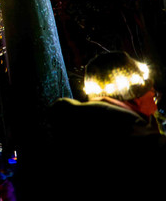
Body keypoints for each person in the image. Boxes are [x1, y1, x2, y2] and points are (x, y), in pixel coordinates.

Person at [48, 50, 166, 200]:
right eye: (152, 93)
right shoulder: (144, 146)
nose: (154, 95)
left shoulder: (70, 140)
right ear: (133, 95)